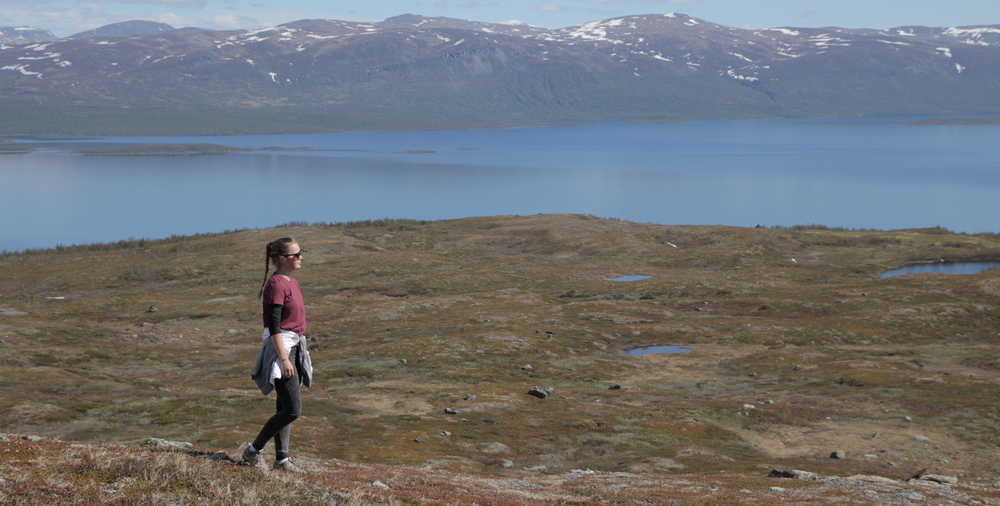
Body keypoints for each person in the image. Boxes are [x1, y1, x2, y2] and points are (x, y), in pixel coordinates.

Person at [242, 237, 314, 473]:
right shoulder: (276, 285)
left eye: (300, 253)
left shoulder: (291, 282)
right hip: (281, 349)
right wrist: (283, 359)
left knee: (283, 407)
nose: (301, 257)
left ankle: (282, 459)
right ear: (282, 259)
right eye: (296, 254)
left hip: (293, 346)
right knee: (292, 410)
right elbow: (274, 327)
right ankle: (253, 451)